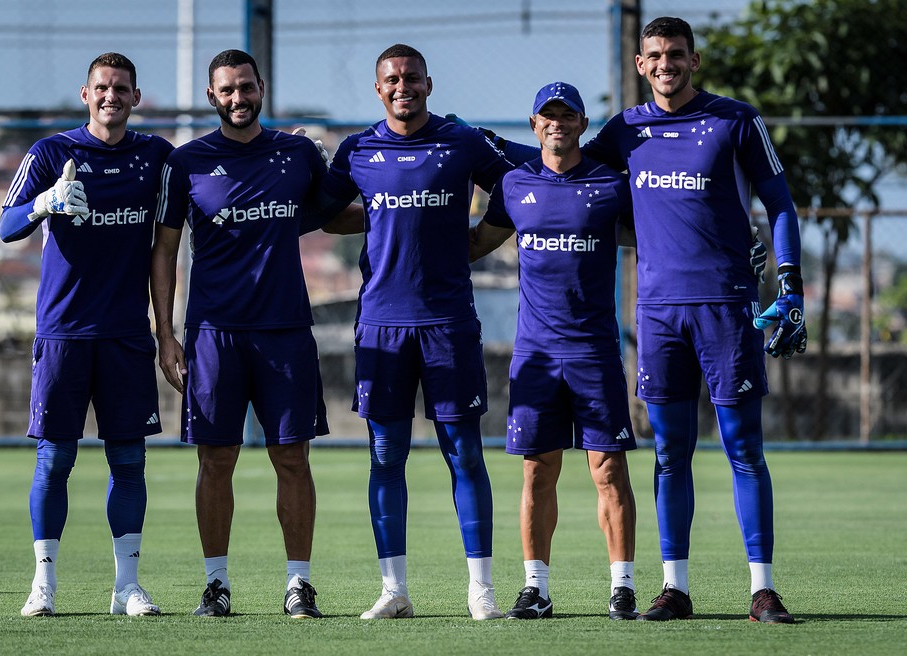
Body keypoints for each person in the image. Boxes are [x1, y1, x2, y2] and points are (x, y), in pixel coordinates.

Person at [469, 15, 804, 624]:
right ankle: (674, 588)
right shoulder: (626, 128)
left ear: (693, 61)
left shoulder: (735, 119)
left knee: (744, 450)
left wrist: (789, 283)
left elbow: (780, 202)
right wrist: (487, 143)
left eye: (676, 53)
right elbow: (559, 157)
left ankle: (763, 589)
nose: (665, 63)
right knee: (670, 453)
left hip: (727, 307)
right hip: (656, 315)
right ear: (641, 64)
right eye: (655, 55)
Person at [151, 49, 353, 620]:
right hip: (214, 334)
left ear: (261, 88)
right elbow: (165, 250)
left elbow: (336, 212)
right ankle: (216, 585)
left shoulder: (296, 153)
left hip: (285, 330)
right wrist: (166, 335)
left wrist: (408, 214)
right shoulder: (185, 162)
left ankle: (298, 585)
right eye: (227, 91)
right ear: (212, 97)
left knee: (292, 459)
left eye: (246, 87)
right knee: (216, 460)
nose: (238, 98)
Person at [319, 44, 513, 620]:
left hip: (448, 323)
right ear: (378, 90)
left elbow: (520, 189)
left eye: (411, 78)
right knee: (385, 458)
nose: (402, 86)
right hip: (381, 325)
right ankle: (394, 590)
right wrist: (380, 210)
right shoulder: (357, 148)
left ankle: (481, 591)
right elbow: (327, 213)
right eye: (391, 80)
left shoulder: (463, 141)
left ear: (428, 83)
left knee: (466, 455)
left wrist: (480, 239)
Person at [0, 53, 173, 618]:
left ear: (136, 97)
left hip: (125, 335)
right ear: (85, 93)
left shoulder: (155, 156)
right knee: (56, 460)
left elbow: (217, 177)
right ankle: (43, 584)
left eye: (121, 88)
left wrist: (290, 152)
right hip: (64, 333)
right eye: (102, 88)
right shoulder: (52, 152)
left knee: (129, 463)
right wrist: (45, 203)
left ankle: (127, 586)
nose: (111, 97)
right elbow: (6, 224)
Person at [469, 82, 639, 620]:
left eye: (568, 115)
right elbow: (475, 244)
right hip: (536, 356)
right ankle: (536, 588)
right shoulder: (514, 185)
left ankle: (622, 586)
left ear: (583, 124)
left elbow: (662, 233)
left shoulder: (612, 186)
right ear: (535, 123)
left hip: (595, 354)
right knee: (537, 472)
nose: (557, 123)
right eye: (549, 115)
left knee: (608, 469)